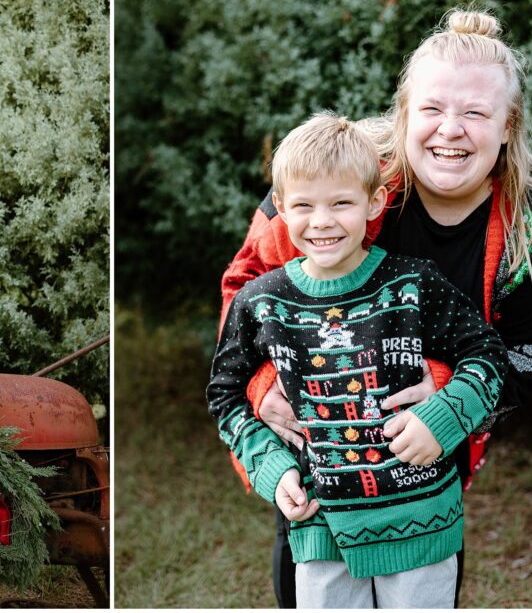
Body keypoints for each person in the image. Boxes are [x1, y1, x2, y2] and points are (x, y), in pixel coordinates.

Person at [219, 9, 532, 606]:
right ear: (405, 112)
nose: (450, 130)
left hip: (431, 458)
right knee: (312, 580)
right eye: (432, 109)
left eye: (476, 113)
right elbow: (247, 290)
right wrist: (261, 385)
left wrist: (442, 392)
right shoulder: (337, 178)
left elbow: (531, 357)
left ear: (508, 125)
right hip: (318, 450)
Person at [208, 112, 508, 608]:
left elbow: (488, 355)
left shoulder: (413, 285)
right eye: (303, 205)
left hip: (420, 522)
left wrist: (444, 416)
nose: (321, 221)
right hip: (321, 525)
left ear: (373, 202)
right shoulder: (262, 302)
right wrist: (273, 468)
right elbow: (225, 393)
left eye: (341, 203)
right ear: (280, 207)